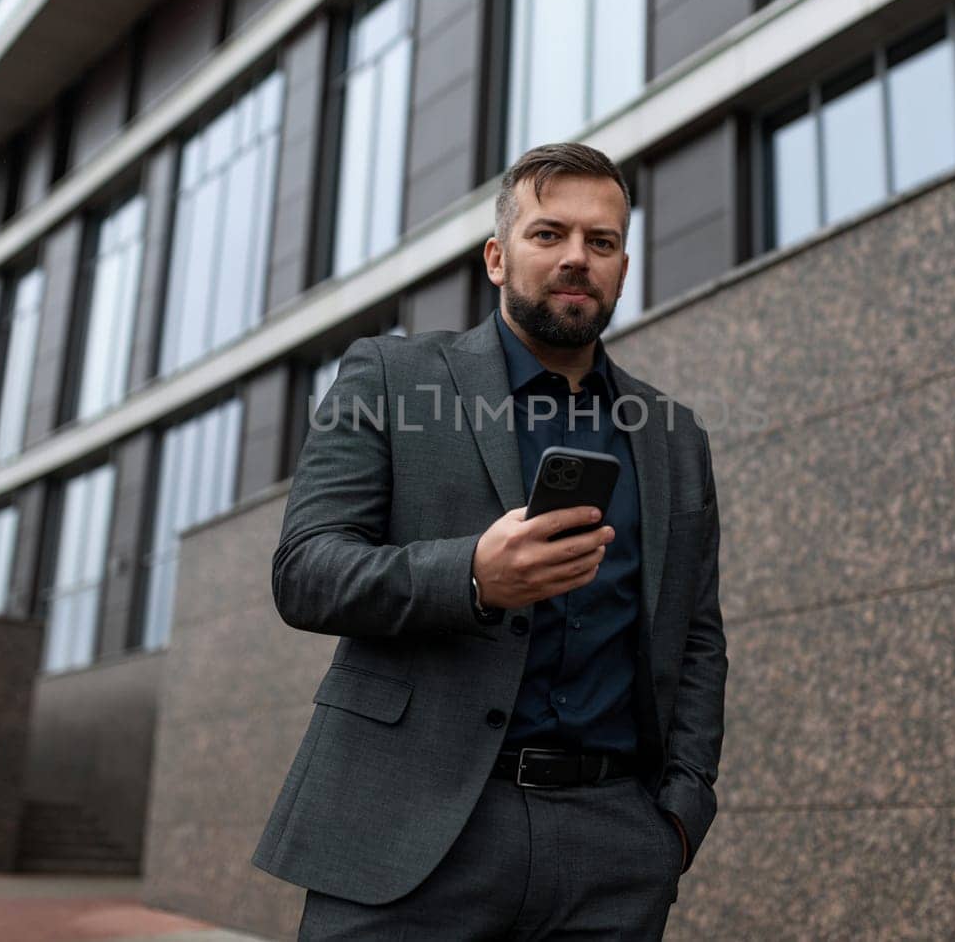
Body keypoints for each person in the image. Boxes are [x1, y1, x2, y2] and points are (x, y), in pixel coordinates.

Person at [252, 142, 727, 939]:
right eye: (550, 234)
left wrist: (680, 809)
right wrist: (470, 575)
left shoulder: (674, 435)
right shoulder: (391, 376)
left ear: (622, 263)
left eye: (601, 242)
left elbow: (699, 634)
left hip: (613, 849)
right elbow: (304, 571)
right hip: (407, 834)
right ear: (498, 258)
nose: (577, 258)